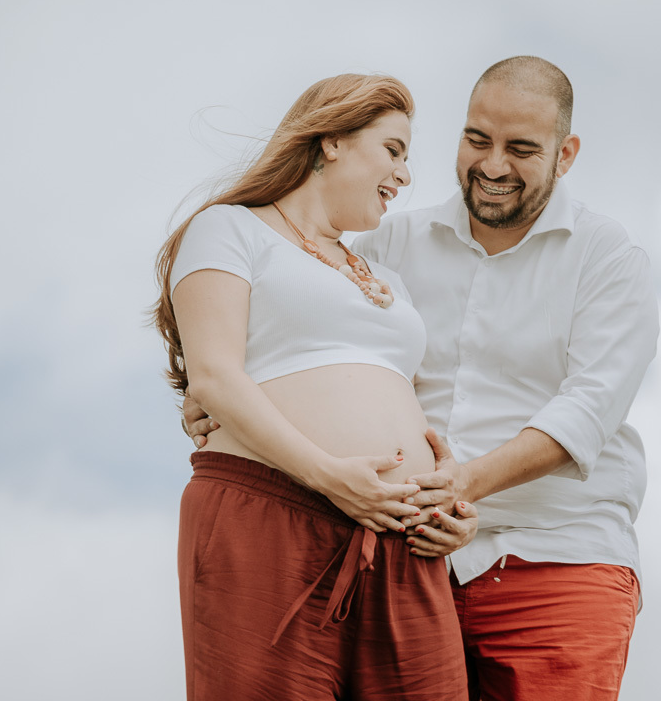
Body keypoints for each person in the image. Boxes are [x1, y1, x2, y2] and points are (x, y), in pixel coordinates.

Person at [185, 57, 659, 701]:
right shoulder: (386, 243)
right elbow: (296, 328)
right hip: (408, 550)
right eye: (476, 140)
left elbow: (590, 408)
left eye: (521, 149)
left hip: (553, 556)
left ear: (565, 154)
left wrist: (463, 486)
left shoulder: (606, 257)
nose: (493, 165)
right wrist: (211, 389)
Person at [154, 74, 477, 701]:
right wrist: (331, 475)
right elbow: (216, 376)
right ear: (332, 140)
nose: (405, 175)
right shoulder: (230, 230)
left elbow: (401, 400)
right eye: (393, 149)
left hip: (402, 537)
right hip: (273, 514)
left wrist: (452, 498)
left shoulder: (385, 279)